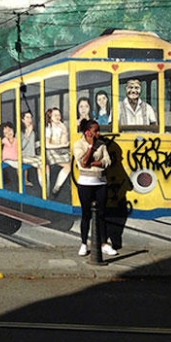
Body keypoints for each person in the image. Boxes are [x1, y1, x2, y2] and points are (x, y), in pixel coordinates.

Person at [72, 118, 117, 257]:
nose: (98, 133)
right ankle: (84, 243)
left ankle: (104, 244)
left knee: (102, 214)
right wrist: (91, 147)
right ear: (87, 132)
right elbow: (84, 163)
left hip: (101, 183)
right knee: (86, 215)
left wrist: (95, 163)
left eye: (98, 130)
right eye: (95, 131)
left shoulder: (102, 144)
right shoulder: (78, 144)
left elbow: (107, 161)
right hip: (85, 183)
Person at [44, 107, 71, 196]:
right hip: (50, 151)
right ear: (50, 116)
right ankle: (56, 188)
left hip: (60, 150)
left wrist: (65, 131)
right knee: (68, 166)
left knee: (72, 162)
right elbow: (47, 145)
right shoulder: (48, 128)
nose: (57, 117)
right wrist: (62, 145)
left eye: (59, 115)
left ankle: (58, 186)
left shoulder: (61, 126)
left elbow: (64, 142)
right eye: (55, 115)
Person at [20, 111, 41, 187]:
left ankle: (44, 184)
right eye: (27, 117)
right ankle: (43, 186)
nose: (30, 119)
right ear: (23, 120)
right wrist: (28, 133)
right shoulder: (19, 132)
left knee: (45, 161)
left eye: (31, 117)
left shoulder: (33, 132)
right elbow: (21, 147)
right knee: (41, 164)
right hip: (23, 156)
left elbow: (33, 145)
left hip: (32, 155)